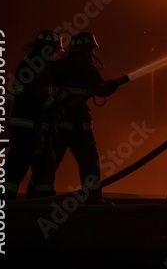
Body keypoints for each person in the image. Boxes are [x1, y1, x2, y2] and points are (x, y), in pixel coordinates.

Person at [48, 32, 120, 204]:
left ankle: (37, 198)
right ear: (84, 50)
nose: (93, 54)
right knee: (88, 164)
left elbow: (99, 89)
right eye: (91, 50)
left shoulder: (61, 66)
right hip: (68, 125)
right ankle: (93, 199)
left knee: (50, 165)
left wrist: (111, 86)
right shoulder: (81, 68)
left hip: (68, 125)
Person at [0, 29, 63, 200]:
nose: (55, 54)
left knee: (44, 168)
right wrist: (53, 105)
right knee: (17, 167)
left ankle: (43, 202)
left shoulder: (42, 67)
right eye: (52, 50)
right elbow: (34, 94)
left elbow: (47, 93)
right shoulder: (31, 66)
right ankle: (4, 205)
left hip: (37, 129)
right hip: (25, 128)